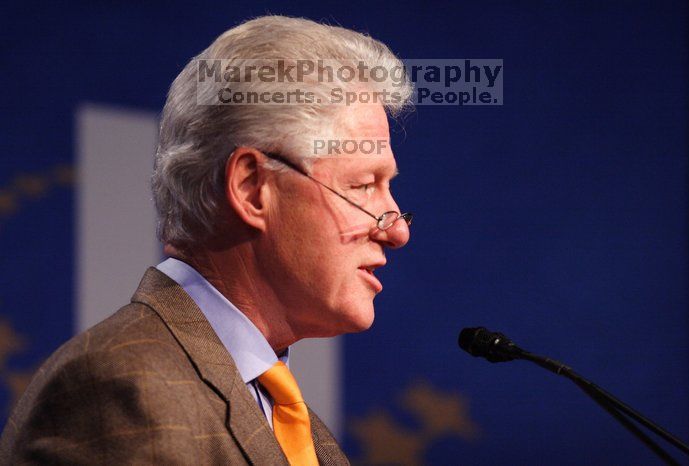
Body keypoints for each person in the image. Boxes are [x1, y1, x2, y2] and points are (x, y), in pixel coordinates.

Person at [0, 15, 413, 465]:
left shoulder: (295, 426)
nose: (396, 230)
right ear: (252, 188)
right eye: (361, 186)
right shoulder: (124, 391)